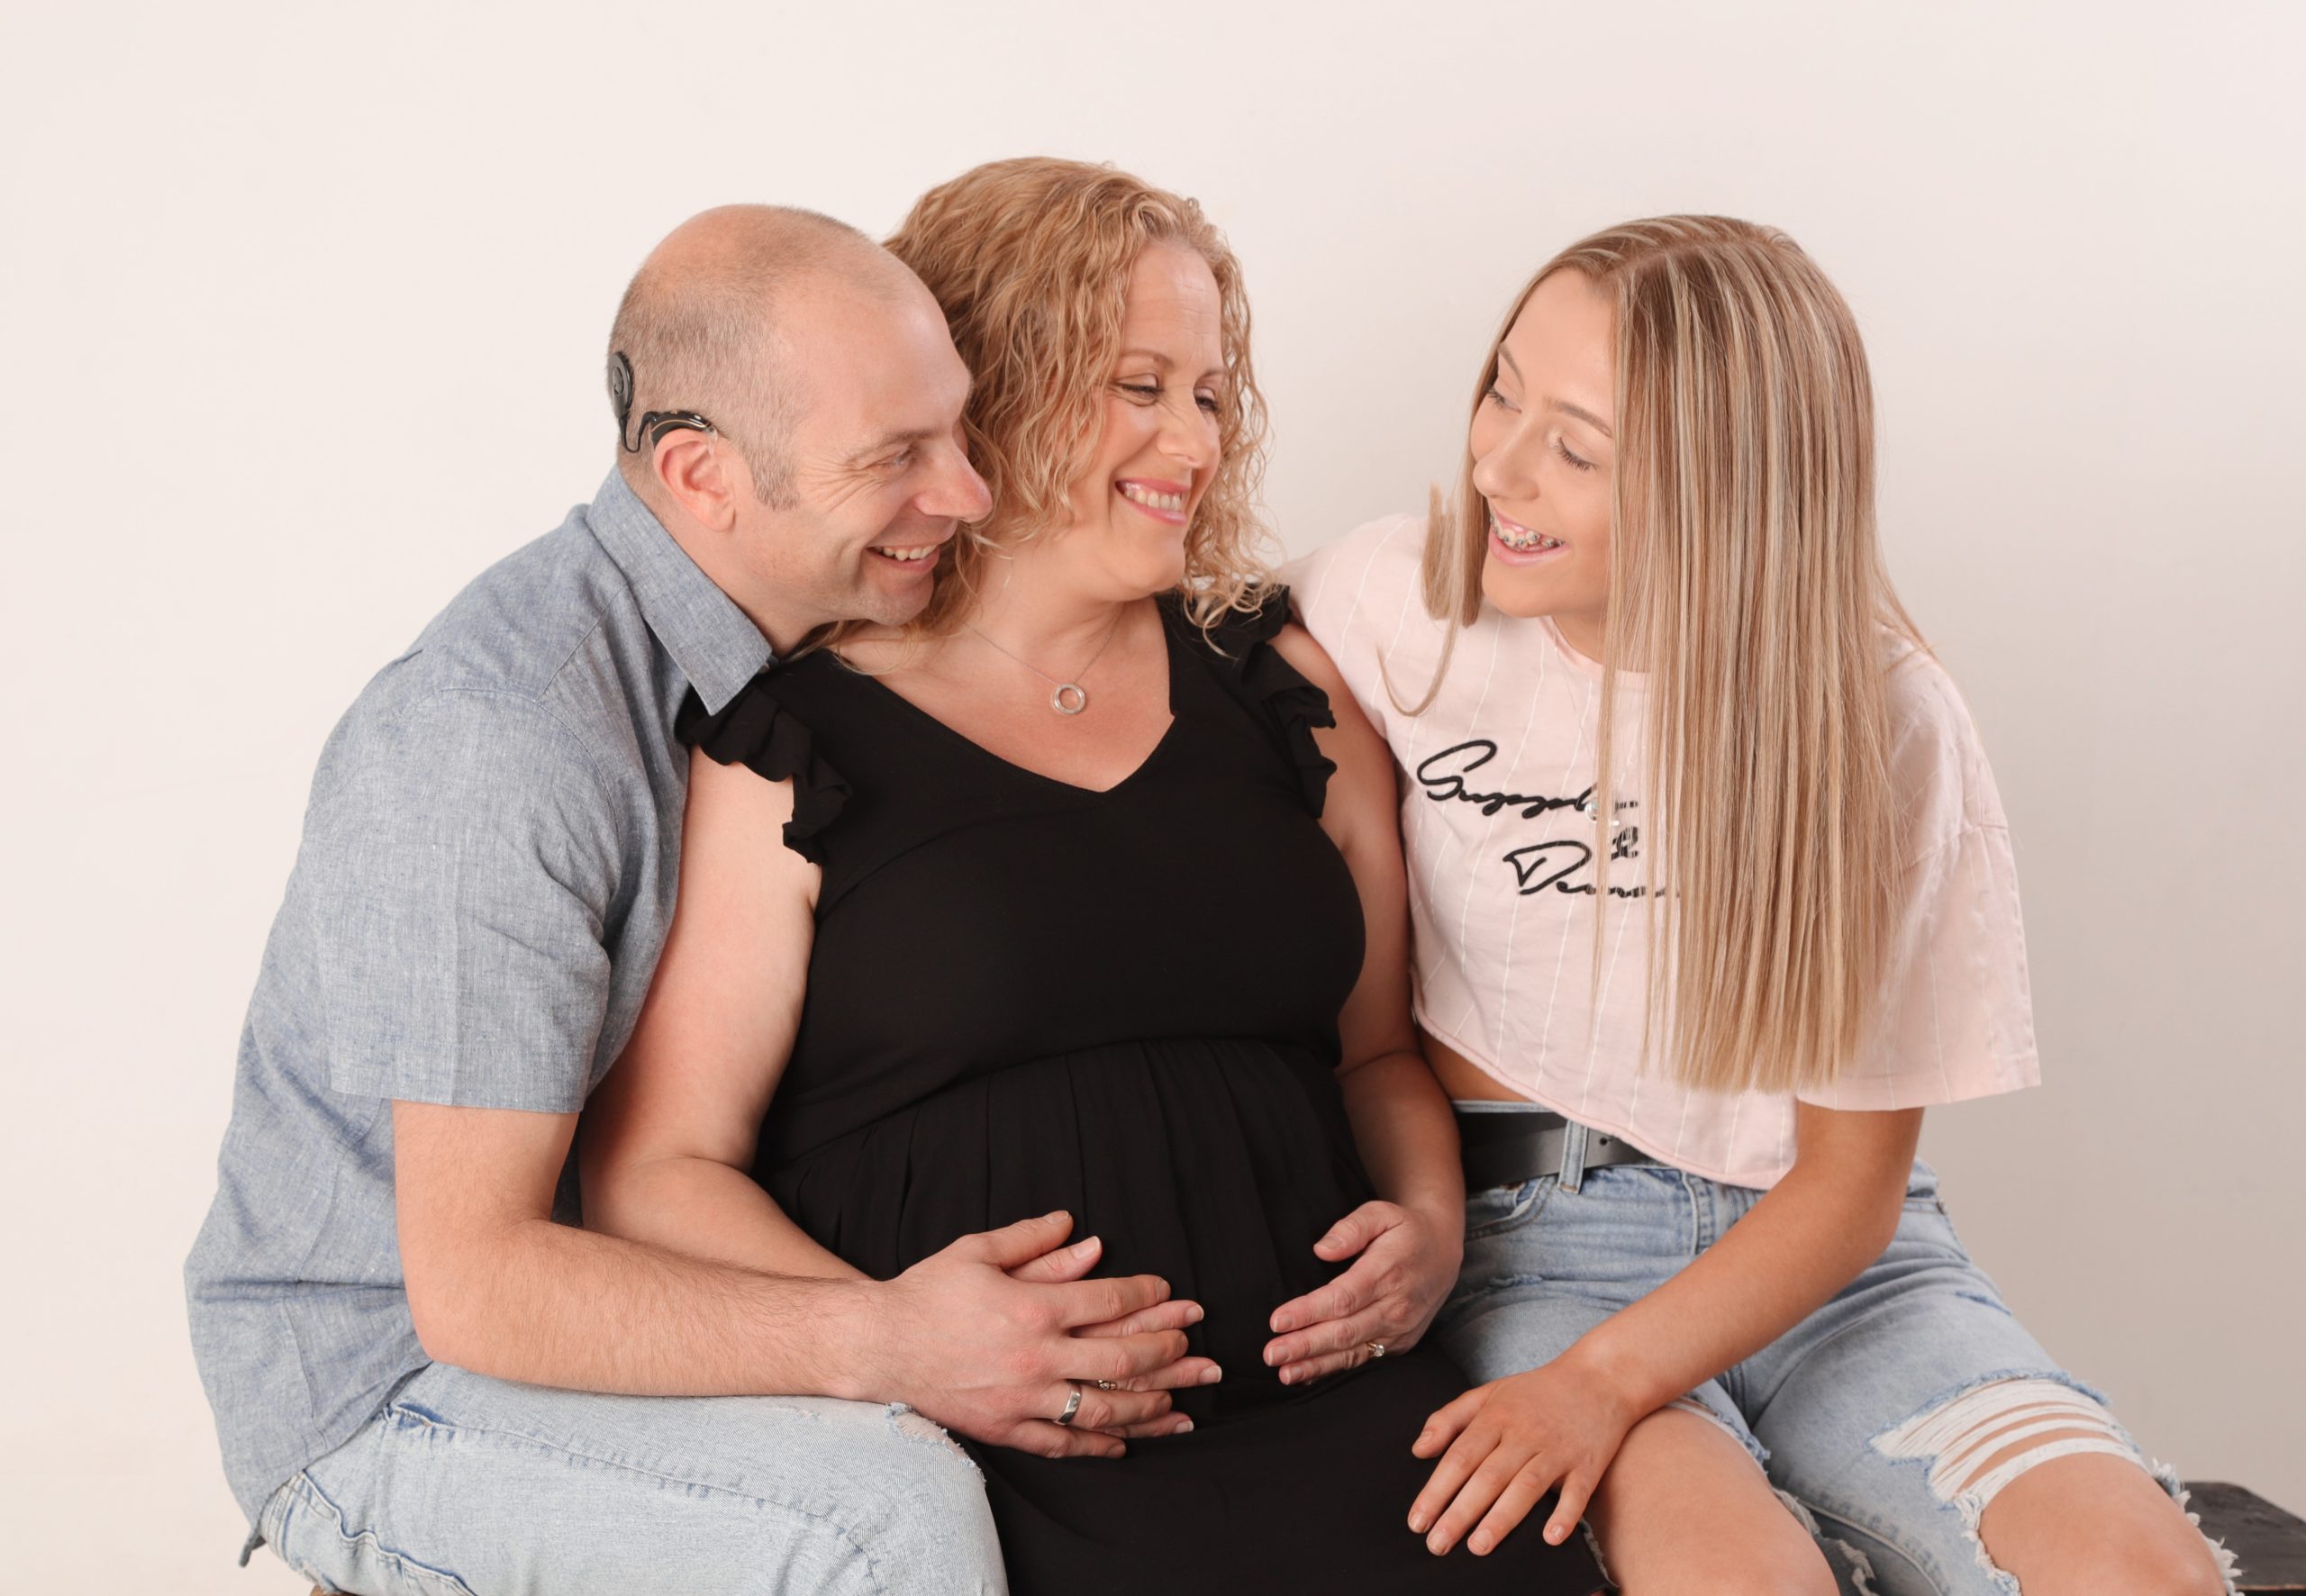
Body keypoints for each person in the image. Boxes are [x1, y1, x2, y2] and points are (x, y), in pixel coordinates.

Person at [578, 159, 1604, 1595]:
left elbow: (1376, 1057)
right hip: (995, 1467)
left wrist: (1431, 1233)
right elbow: (657, 1173)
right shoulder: (794, 742)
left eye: (1209, 390)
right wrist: (900, 1337)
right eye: (1138, 385)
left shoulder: (1286, 692)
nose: (1190, 436)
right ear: (986, 383)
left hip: (1350, 1432)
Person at [184, 204, 1218, 1595]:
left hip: (596, 1295)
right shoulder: (504, 737)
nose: (969, 494)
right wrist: (896, 1345)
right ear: (700, 472)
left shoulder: (794, 671)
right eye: (895, 459)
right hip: (395, 1382)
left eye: (958, 430)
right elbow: (482, 1283)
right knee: (888, 1514)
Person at [1290, 215, 2238, 1594]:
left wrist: (1607, 1383)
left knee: (2142, 1575)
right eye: (1502, 390)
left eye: (1577, 445)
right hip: (1539, 1242)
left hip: (1841, 1264)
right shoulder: (1392, 603)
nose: (1496, 464)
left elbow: (1848, 1192)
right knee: (1737, 1580)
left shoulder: (1882, 718)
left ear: (1722, 488)